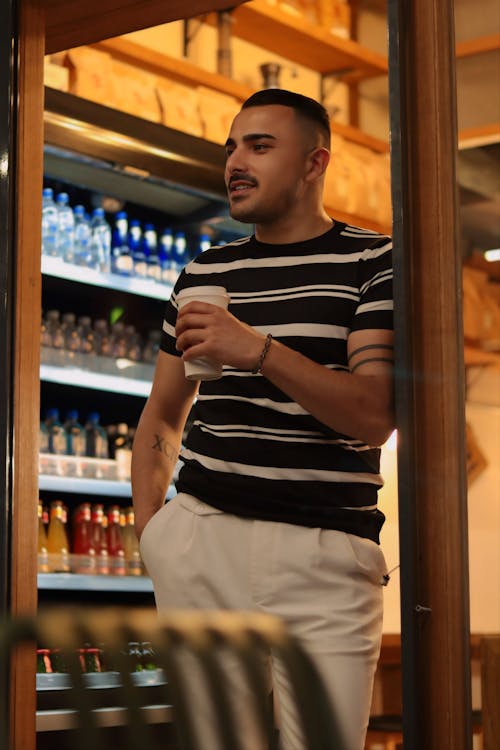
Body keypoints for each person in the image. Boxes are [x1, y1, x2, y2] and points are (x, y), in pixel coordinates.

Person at [132, 88, 394, 750]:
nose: (235, 162)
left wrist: (259, 350)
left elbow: (374, 416)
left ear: (314, 163)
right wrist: (153, 537)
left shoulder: (373, 263)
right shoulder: (206, 270)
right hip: (200, 542)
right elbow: (162, 413)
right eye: (231, 147)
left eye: (260, 145)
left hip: (324, 554)